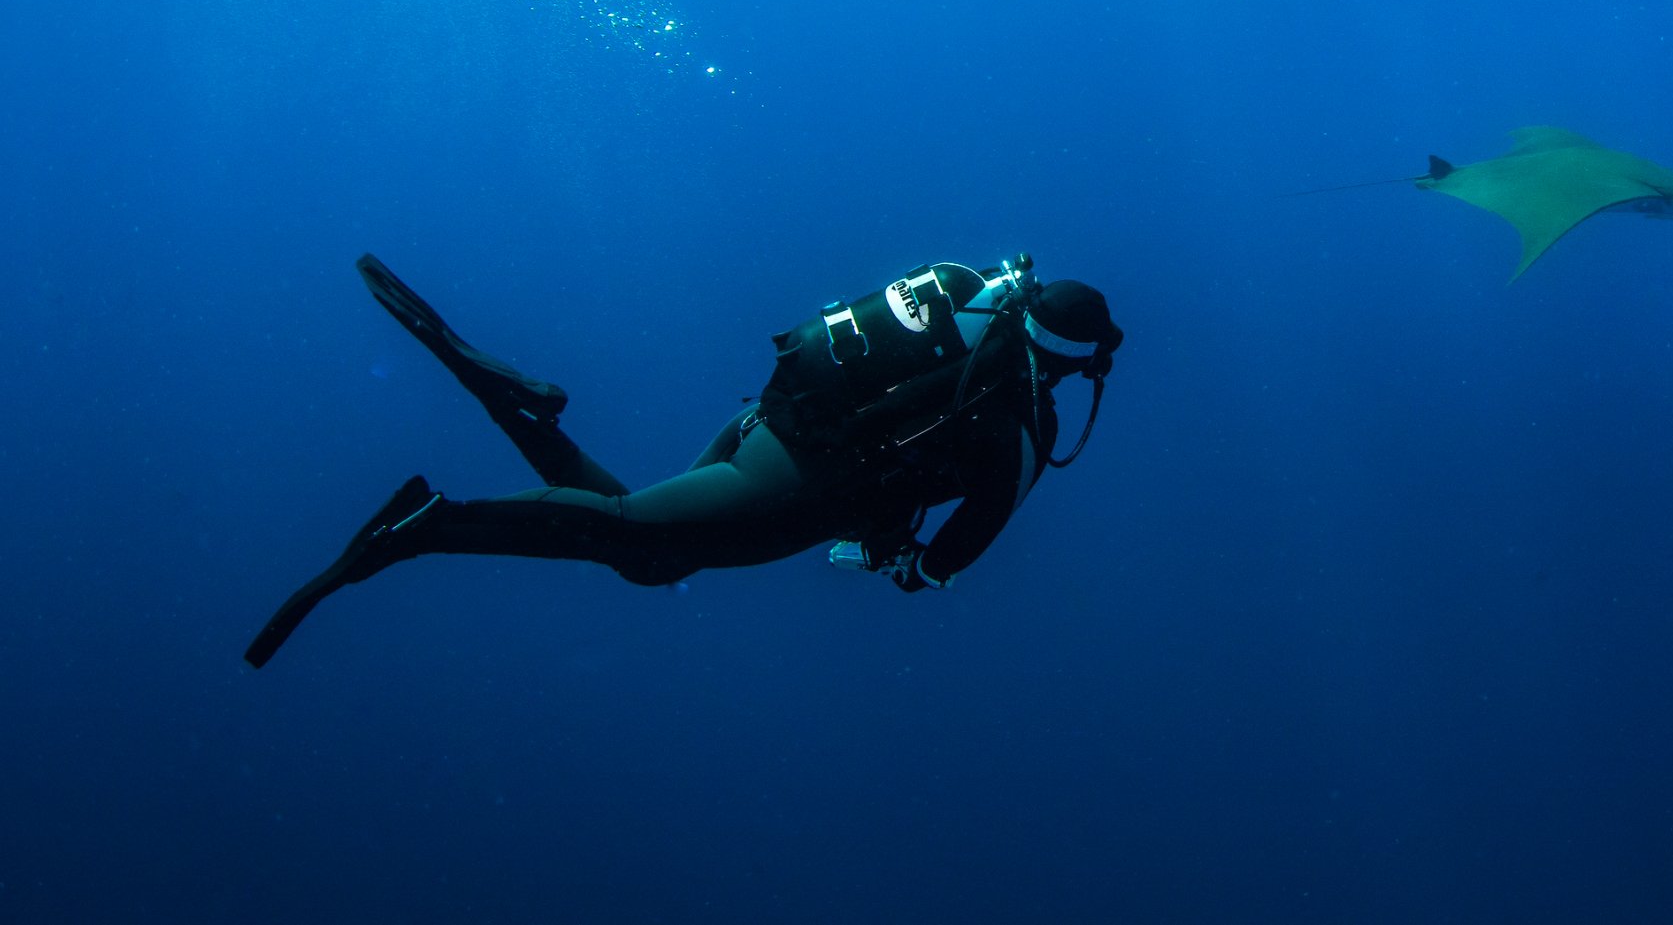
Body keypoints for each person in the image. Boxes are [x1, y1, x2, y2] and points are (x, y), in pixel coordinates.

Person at [245, 253, 1123, 668]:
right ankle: (427, 528)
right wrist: (905, 563)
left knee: (648, 545)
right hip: (795, 486)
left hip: (768, 421)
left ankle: (506, 397)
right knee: (635, 539)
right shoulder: (1014, 431)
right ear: (1069, 364)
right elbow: (950, 554)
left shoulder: (969, 288)